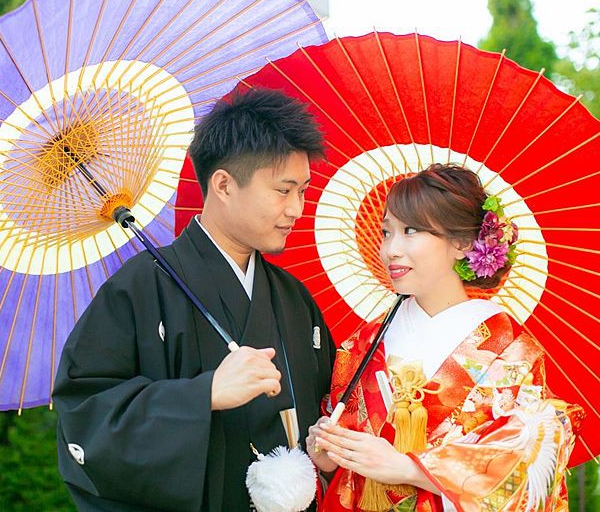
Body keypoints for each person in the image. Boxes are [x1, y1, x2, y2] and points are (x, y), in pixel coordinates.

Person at [53, 88, 336, 511]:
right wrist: (202, 395)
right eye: (284, 190)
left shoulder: (294, 298)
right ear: (223, 184)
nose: (297, 208)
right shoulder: (140, 288)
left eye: (303, 191)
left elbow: (325, 406)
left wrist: (326, 452)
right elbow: (87, 418)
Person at [307, 164, 584, 511]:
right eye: (386, 232)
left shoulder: (510, 350)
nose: (391, 249)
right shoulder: (363, 344)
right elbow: (344, 461)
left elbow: (528, 458)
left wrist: (410, 469)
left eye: (410, 230)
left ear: (462, 243)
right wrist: (329, 457)